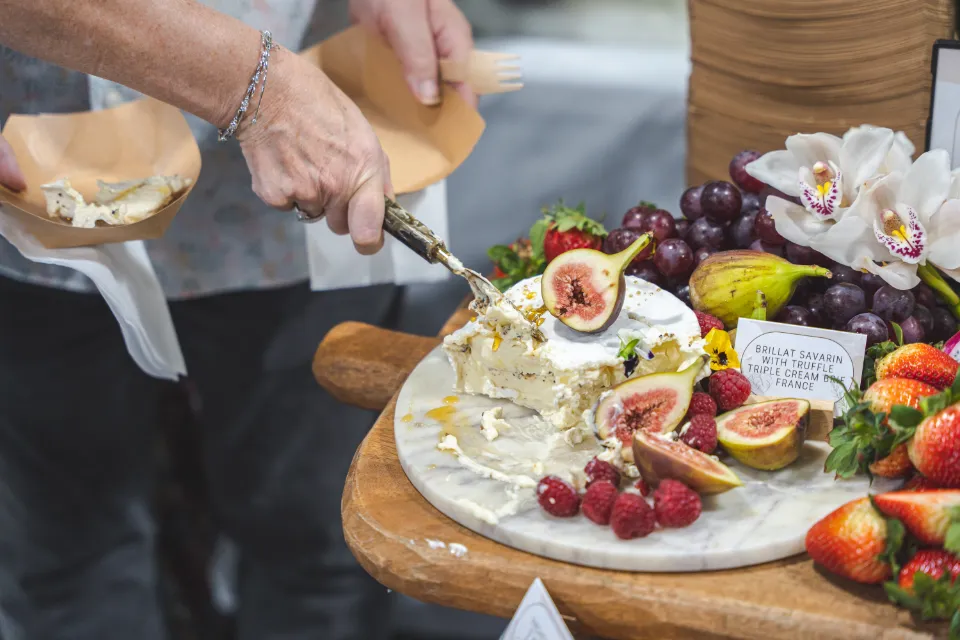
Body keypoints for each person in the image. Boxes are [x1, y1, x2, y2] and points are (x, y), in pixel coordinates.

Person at [0, 0, 474, 638]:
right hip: (42, 165)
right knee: (74, 552)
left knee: (317, 546)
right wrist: (259, 90)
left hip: (301, 189)